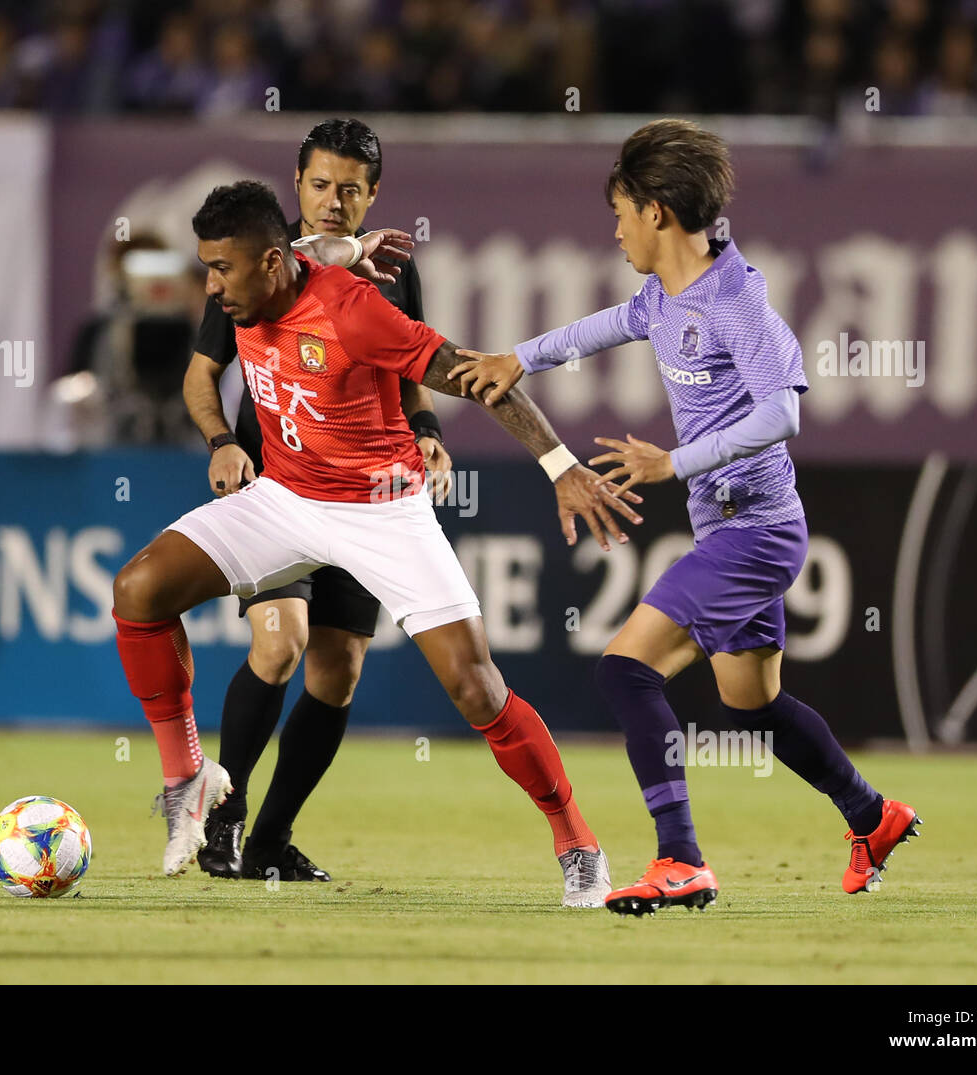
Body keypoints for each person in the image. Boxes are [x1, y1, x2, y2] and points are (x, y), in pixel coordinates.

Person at [113, 179, 639, 906]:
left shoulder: (352, 309)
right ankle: (188, 777)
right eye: (206, 266)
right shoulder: (261, 275)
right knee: (139, 590)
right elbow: (304, 249)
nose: (211, 286)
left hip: (380, 509)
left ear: (269, 263)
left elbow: (472, 375)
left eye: (221, 270)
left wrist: (560, 464)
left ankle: (577, 840)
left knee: (474, 685)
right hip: (284, 496)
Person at [450, 119, 921, 916]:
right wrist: (517, 358)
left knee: (624, 669)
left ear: (658, 212)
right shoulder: (664, 294)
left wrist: (676, 462)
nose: (617, 228)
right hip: (734, 527)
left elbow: (782, 413)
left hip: (755, 530)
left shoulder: (735, 299)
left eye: (622, 211)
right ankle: (873, 816)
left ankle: (681, 859)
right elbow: (600, 328)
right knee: (753, 704)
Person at [185, 119, 453, 882]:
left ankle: (270, 838)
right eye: (320, 185)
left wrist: (426, 429)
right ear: (296, 183)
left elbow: (408, 371)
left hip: (365, 497)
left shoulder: (392, 271)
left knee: (337, 674)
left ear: (375, 194)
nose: (334, 202)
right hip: (277, 489)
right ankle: (222, 822)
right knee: (279, 643)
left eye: (351, 189)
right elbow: (201, 377)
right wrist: (221, 444)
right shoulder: (258, 261)